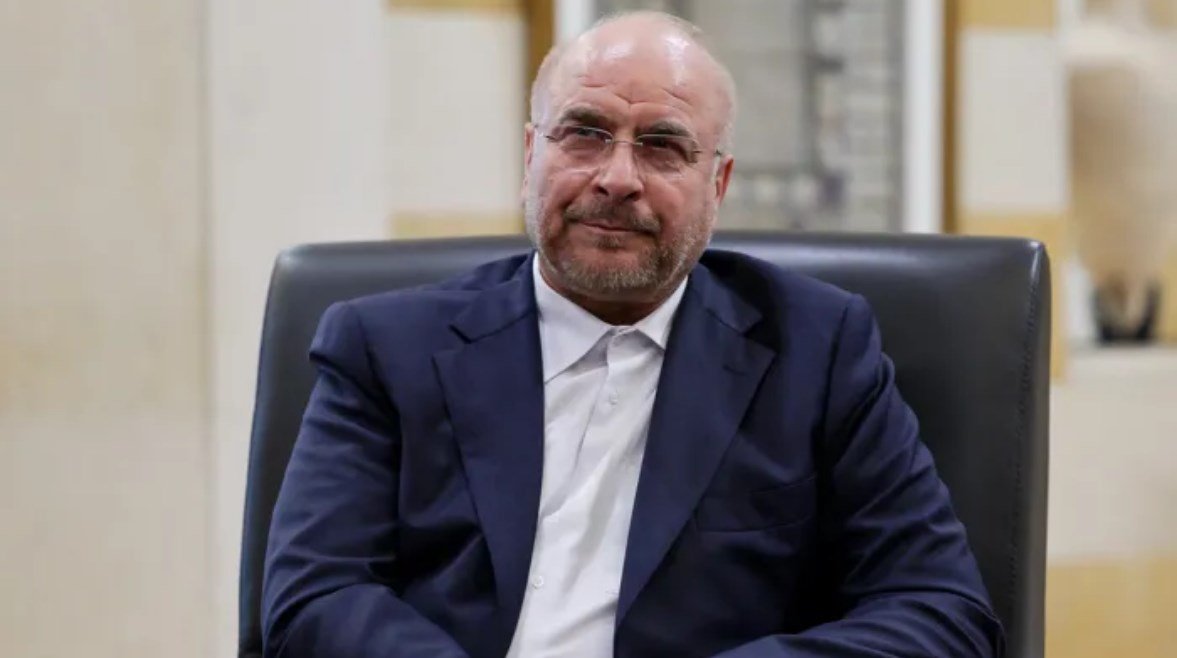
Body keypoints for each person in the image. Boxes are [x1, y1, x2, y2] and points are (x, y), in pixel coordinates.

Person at [262, 11, 1003, 658]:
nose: (617, 177)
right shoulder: (383, 348)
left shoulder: (818, 350)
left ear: (717, 186)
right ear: (531, 156)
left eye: (662, 146)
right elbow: (315, 597)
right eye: (584, 134)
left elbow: (940, 611)